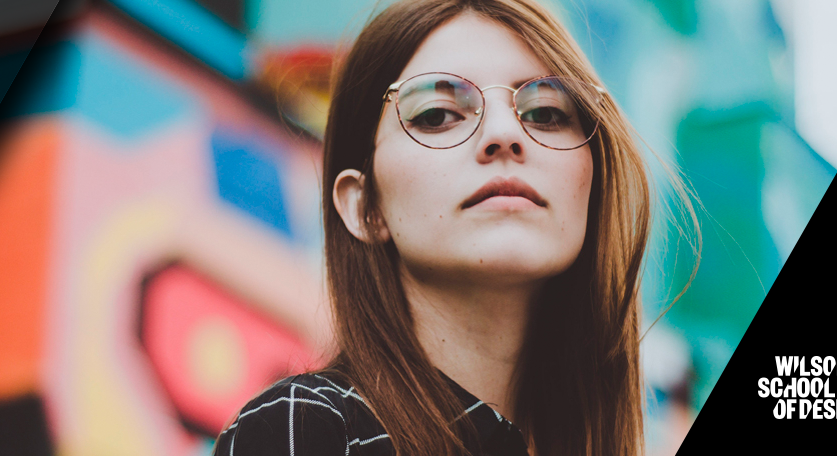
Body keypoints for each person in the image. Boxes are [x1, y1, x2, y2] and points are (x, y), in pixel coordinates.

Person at [214, 0, 695, 455]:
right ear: (364, 206)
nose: (505, 134)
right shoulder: (305, 429)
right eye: (438, 115)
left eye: (547, 113)